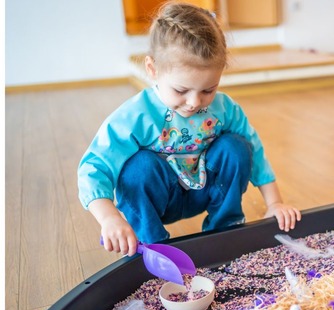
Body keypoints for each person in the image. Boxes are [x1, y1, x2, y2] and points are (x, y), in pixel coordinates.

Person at [77, 1, 301, 257]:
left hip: (204, 189)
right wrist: (109, 218)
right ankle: (153, 247)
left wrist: (274, 203)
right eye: (181, 90)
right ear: (152, 70)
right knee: (137, 168)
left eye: (208, 90)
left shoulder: (225, 108)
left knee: (236, 147)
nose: (195, 102)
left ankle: (224, 232)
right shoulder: (135, 115)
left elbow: (255, 151)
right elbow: (94, 167)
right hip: (162, 198)